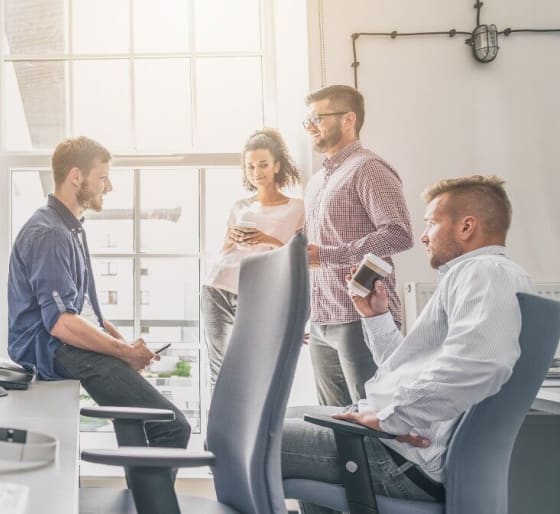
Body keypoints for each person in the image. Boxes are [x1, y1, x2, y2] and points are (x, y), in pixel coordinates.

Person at [282, 175, 531, 513]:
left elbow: (482, 362)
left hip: (400, 458)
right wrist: (375, 316)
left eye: (431, 223)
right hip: (395, 443)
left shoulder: (486, 272)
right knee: (278, 419)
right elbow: (402, 371)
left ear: (467, 226)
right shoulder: (474, 276)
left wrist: (390, 419)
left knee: (249, 440)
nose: (424, 235)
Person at [7, 136, 191, 450]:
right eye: (103, 177)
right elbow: (61, 323)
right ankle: (152, 502)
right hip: (52, 349)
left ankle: (142, 500)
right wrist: (124, 353)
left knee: (139, 420)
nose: (109, 187)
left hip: (66, 345)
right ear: (76, 176)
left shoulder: (71, 229)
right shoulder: (50, 233)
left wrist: (124, 345)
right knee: (172, 427)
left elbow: (86, 314)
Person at [302, 85, 414, 406]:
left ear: (348, 119)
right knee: (333, 426)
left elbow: (399, 233)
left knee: (373, 420)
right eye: (306, 121)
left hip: (361, 318)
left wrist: (326, 255)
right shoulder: (315, 183)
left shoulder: (369, 168)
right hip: (322, 323)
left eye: (316, 118)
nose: (310, 126)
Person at [202, 128, 303, 387]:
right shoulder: (240, 206)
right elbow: (225, 250)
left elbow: (299, 256)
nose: (256, 173)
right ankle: (221, 429)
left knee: (257, 369)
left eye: (263, 165)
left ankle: (253, 428)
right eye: (250, 167)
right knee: (220, 370)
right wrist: (234, 238)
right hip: (219, 286)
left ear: (277, 166)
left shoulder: (297, 208)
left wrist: (265, 238)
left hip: (259, 292)